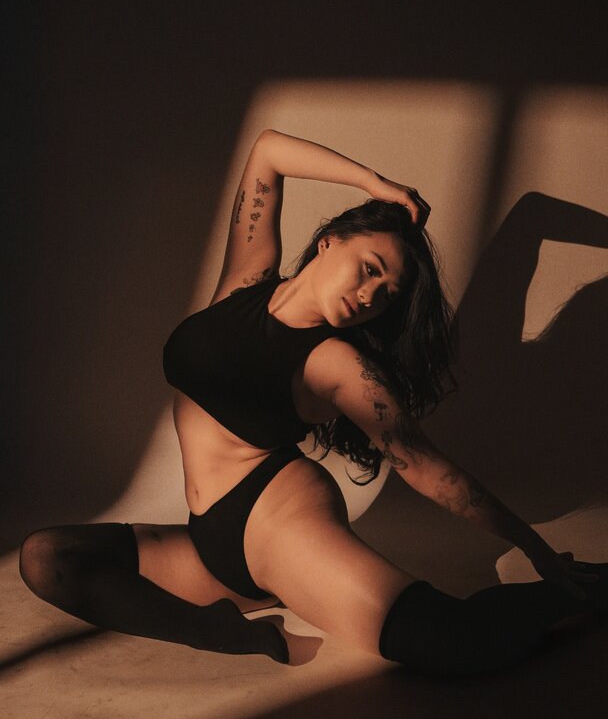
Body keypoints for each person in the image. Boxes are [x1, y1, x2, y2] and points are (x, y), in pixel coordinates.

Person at [19, 129, 608, 676]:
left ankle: (576, 593)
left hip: (276, 521)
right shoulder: (246, 281)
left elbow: (428, 469)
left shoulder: (338, 364)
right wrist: (375, 185)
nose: (370, 295)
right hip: (207, 539)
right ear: (329, 241)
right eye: (369, 269)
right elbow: (268, 151)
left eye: (386, 294)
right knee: (49, 557)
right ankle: (218, 630)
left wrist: (536, 550)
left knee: (454, 641)